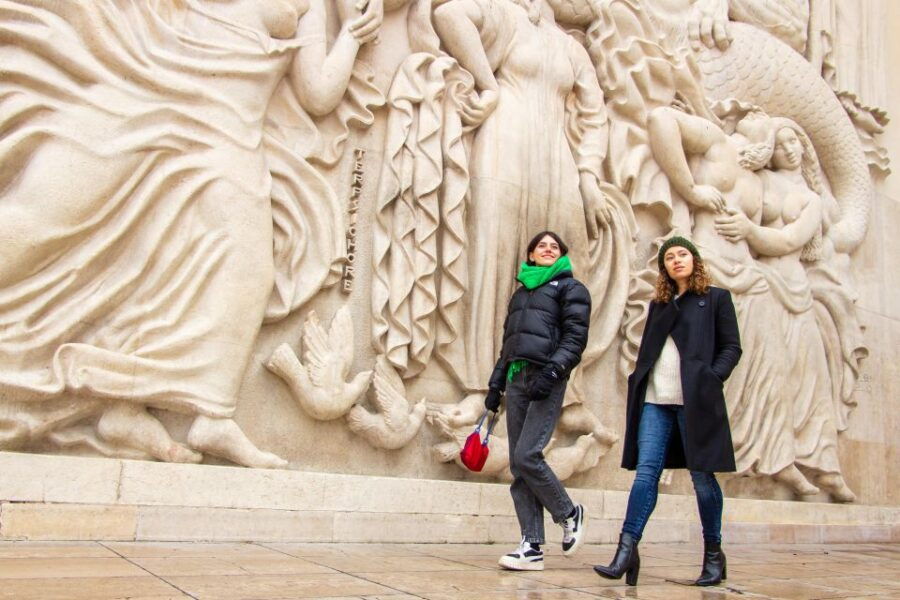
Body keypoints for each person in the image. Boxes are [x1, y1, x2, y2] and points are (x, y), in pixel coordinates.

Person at [594, 236, 742, 586]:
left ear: (695, 259)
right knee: (646, 474)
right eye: (669, 257)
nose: (676, 260)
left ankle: (713, 556)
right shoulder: (659, 305)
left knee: (702, 477)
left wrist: (711, 378)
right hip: (656, 400)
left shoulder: (716, 299)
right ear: (663, 267)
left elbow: (732, 347)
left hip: (696, 400)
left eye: (682, 254)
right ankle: (626, 550)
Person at [483, 231, 591, 571]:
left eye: (554, 246)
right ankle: (531, 546)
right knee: (518, 464)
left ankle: (569, 513)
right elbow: (509, 343)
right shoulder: (521, 294)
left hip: (546, 378)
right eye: (541, 245)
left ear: (561, 255)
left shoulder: (571, 289)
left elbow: (575, 338)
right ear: (530, 253)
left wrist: (555, 371)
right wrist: (496, 384)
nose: (547, 249)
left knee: (528, 454)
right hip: (517, 377)